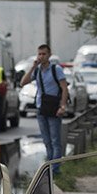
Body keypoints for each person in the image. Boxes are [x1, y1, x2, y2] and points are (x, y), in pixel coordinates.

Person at [20, 44, 69, 173]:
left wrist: (62, 106)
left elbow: (64, 88)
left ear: (49, 55)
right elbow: (22, 83)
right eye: (39, 54)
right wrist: (33, 67)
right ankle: (50, 167)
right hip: (41, 108)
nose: (41, 56)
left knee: (55, 141)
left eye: (44, 54)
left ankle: (55, 170)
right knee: (46, 141)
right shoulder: (37, 70)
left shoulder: (56, 69)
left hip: (54, 108)